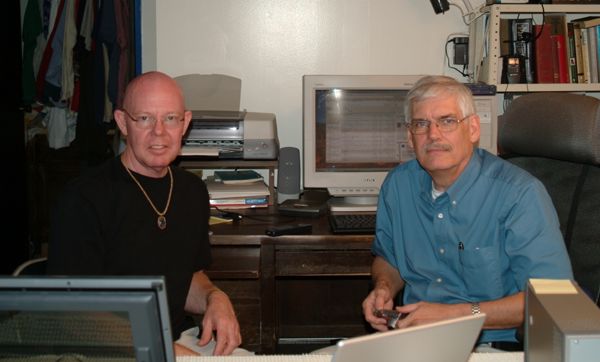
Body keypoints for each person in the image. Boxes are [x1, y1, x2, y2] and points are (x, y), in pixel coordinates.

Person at [362, 75, 573, 350]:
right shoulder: (397, 186)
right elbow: (389, 258)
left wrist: (454, 315)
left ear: (473, 129)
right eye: (421, 124)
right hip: (415, 341)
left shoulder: (519, 194)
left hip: (492, 347)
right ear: (410, 137)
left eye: (447, 121)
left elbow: (552, 302)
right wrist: (384, 288)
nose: (433, 135)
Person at [47, 71, 241, 355]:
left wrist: (215, 296)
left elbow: (184, 280)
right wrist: (163, 350)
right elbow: (72, 314)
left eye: (170, 118)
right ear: (123, 123)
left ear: (185, 123)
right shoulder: (83, 198)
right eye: (145, 118)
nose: (159, 132)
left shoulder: (193, 190)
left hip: (176, 341)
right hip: (103, 350)